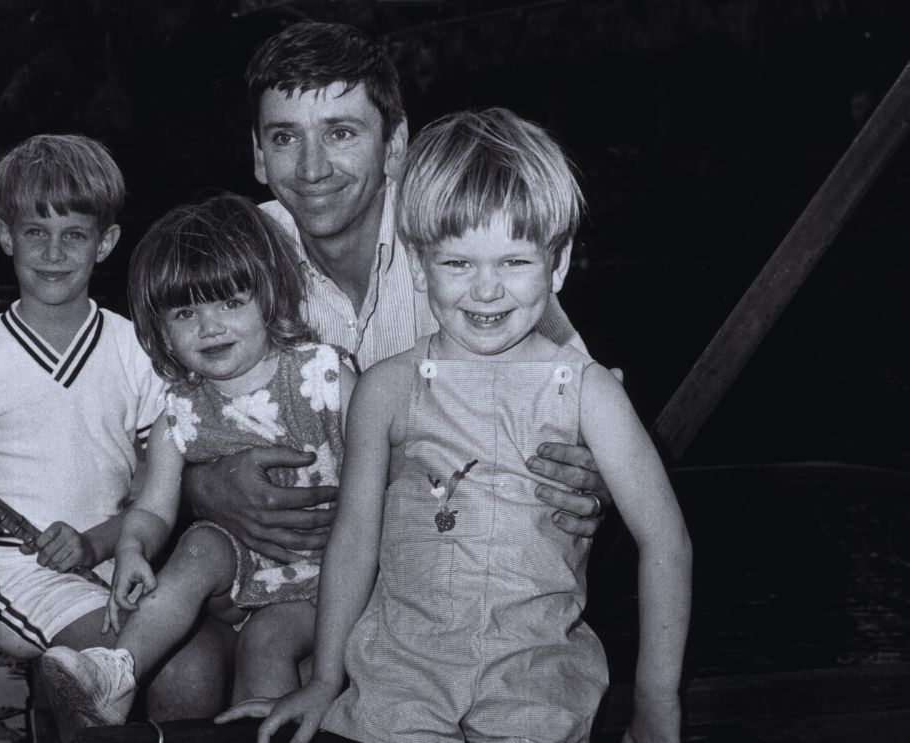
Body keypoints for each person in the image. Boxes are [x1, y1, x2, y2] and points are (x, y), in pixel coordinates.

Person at [239, 108, 693, 743]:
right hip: (402, 674)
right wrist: (325, 677)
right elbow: (355, 538)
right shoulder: (387, 388)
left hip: (536, 672)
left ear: (556, 266)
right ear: (420, 265)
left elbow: (665, 541)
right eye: (457, 264)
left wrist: (655, 704)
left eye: (513, 262)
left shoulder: (587, 390)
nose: (485, 290)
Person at [186, 19, 611, 619]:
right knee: (184, 672)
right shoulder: (233, 260)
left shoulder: (458, 244)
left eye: (340, 132)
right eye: (284, 137)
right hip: (279, 571)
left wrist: (592, 478)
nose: (311, 168)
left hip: (437, 584)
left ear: (394, 145)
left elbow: (584, 415)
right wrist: (200, 488)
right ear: (258, 153)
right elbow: (144, 420)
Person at [0, 134, 231, 722]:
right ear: (6, 235)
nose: (53, 252)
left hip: (120, 556)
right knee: (148, 655)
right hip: (17, 571)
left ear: (105, 242)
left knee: (204, 656)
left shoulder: (138, 350)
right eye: (36, 232)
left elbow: (155, 485)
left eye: (74, 235)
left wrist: (101, 542)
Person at [37, 193, 356, 734]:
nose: (209, 327)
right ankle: (116, 672)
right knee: (198, 544)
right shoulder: (179, 414)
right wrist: (135, 547)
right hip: (244, 571)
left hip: (335, 572)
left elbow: (380, 481)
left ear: (268, 297)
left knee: (268, 641)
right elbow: (154, 509)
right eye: (185, 312)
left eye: (229, 302)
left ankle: (265, 731)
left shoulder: (325, 378)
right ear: (160, 329)